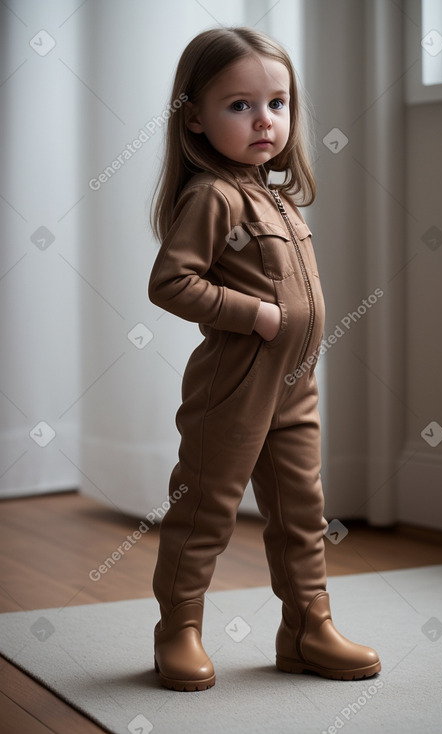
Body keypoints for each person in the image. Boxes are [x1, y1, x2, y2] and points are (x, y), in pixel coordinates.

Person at [148, 26, 381, 692]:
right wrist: (251, 313)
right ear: (193, 116)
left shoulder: (276, 196)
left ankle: (308, 627)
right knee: (205, 507)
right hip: (235, 386)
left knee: (302, 510)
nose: (264, 120)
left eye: (276, 104)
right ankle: (178, 631)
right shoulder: (211, 197)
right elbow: (170, 283)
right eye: (239, 105)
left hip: (294, 383)